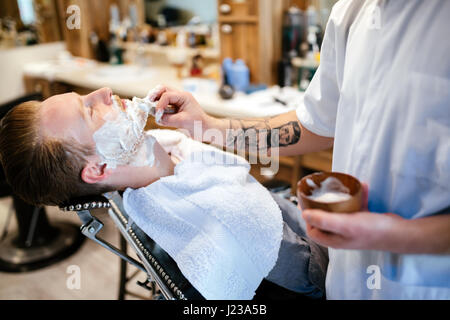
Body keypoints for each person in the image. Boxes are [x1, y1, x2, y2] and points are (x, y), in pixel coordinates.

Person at [151, 0, 450, 299]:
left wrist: (396, 237)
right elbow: (314, 124)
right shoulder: (350, 12)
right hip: (345, 279)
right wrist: (207, 126)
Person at [0, 88, 328, 299]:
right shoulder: (222, 223)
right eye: (89, 110)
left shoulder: (173, 152)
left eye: (83, 94)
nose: (104, 92)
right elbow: (315, 277)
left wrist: (206, 124)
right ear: (99, 170)